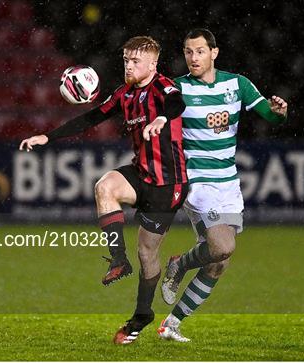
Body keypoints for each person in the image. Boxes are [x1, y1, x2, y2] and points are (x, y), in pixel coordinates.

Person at [19, 36, 188, 344]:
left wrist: (162, 117)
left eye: (136, 61)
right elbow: (92, 117)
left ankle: (142, 315)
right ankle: (118, 260)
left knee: (148, 254)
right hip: (141, 174)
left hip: (168, 185)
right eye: (126, 60)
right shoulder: (124, 94)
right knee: (104, 186)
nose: (129, 65)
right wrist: (48, 137)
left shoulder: (164, 87)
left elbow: (178, 103)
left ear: (153, 63)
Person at [157, 28, 288, 342]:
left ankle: (171, 324)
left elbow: (269, 116)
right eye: (188, 52)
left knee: (220, 262)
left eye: (200, 51)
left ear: (214, 53)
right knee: (222, 247)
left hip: (228, 181)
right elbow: (159, 121)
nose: (193, 58)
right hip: (197, 181)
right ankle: (179, 264)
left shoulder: (237, 84)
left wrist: (280, 113)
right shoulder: (179, 89)